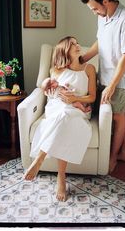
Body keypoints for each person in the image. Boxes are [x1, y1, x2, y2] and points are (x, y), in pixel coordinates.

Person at [24, 36, 96, 202]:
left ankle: (39, 159)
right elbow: (48, 91)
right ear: (65, 50)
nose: (77, 46)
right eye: (73, 45)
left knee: (67, 115)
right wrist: (50, 92)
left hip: (79, 108)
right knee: (63, 115)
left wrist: (75, 100)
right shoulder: (55, 70)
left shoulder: (89, 69)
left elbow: (92, 97)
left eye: (77, 43)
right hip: (57, 107)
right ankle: (61, 177)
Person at [80, 0, 125, 173]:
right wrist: (83, 58)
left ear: (106, 1)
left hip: (120, 78)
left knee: (118, 116)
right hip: (104, 74)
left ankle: (112, 158)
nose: (94, 12)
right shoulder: (102, 16)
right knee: (121, 115)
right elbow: (100, 41)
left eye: (95, 8)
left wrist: (112, 85)